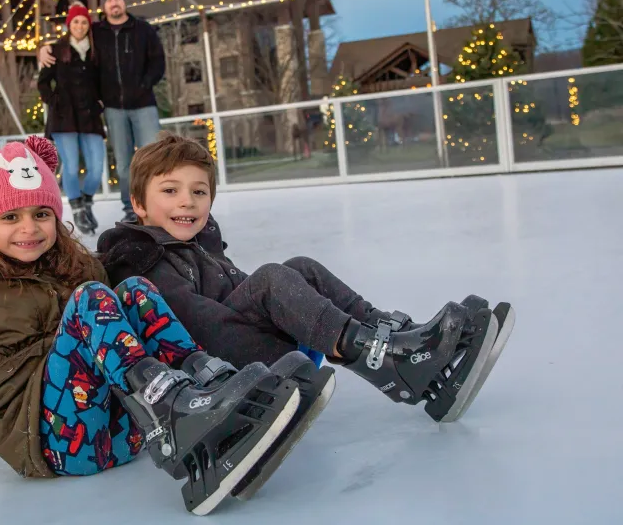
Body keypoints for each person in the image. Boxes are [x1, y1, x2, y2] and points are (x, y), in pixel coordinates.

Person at [0, 135, 319, 516]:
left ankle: (208, 389)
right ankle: (176, 416)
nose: (29, 228)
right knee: (92, 299)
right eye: (10, 217)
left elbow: (134, 323)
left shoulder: (79, 266)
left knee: (134, 288)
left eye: (42, 213)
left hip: (124, 433)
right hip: (48, 440)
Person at [97, 132, 516, 492]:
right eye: (170, 191)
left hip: (253, 351)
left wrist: (290, 315)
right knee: (272, 278)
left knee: (298, 268)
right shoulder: (139, 255)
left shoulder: (198, 245)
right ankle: (387, 359)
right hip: (221, 375)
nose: (187, 201)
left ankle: (393, 341)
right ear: (138, 203)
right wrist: (280, 347)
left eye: (199, 191)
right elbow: (194, 321)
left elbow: (242, 294)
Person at [39, 0, 166, 223]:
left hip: (143, 104)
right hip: (113, 108)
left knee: (153, 157)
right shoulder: (97, 32)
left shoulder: (143, 30)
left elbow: (158, 62)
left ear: (124, 3)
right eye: (109, 0)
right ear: (104, 6)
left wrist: (144, 84)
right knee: (123, 162)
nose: (114, 3)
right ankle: (130, 207)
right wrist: (42, 49)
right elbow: (68, 38)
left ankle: (157, 202)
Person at [38, 3, 105, 235]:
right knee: (71, 166)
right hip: (64, 117)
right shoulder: (57, 50)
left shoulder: (96, 52)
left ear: (88, 25)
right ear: (69, 24)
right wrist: (53, 100)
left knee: (96, 166)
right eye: (76, 21)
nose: (80, 26)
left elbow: (102, 82)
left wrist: (101, 101)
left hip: (90, 117)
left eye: (84, 22)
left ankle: (87, 201)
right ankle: (77, 209)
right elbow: (43, 82)